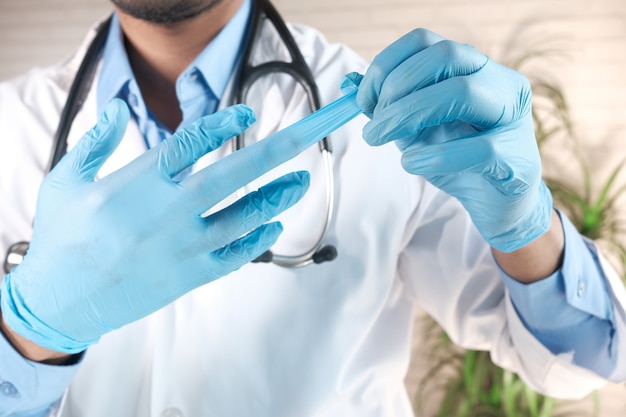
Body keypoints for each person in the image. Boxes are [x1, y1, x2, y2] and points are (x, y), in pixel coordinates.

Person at [0, 0, 624, 416]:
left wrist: (525, 224)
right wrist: (29, 332)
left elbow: (583, 360)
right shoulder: (10, 126)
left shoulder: (386, 114)